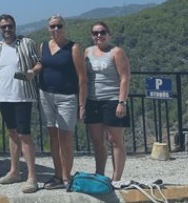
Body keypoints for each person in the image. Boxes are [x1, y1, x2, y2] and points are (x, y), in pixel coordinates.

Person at [33, 15, 86, 189]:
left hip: (67, 97)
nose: (56, 29)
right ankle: (57, 175)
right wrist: (32, 71)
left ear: (64, 27)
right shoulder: (43, 46)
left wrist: (82, 104)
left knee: (66, 138)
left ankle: (66, 177)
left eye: (59, 26)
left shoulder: (74, 48)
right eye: (53, 26)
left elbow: (82, 78)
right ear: (48, 28)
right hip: (46, 95)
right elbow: (42, 65)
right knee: (53, 138)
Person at [0, 14, 42, 193]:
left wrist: (33, 72)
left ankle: (32, 177)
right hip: (4, 96)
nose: (7, 29)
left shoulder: (27, 43)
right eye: (3, 27)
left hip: (22, 96)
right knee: (12, 133)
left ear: (15, 26)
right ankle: (14, 171)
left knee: (24, 135)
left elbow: (39, 62)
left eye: (9, 26)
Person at [84, 21, 131, 182]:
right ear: (92, 36)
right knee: (97, 142)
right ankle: (100, 175)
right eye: (96, 33)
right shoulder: (87, 52)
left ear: (109, 34)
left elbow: (124, 77)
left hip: (112, 100)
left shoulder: (116, 52)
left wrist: (122, 102)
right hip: (92, 101)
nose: (99, 35)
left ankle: (116, 178)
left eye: (102, 32)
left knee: (115, 141)